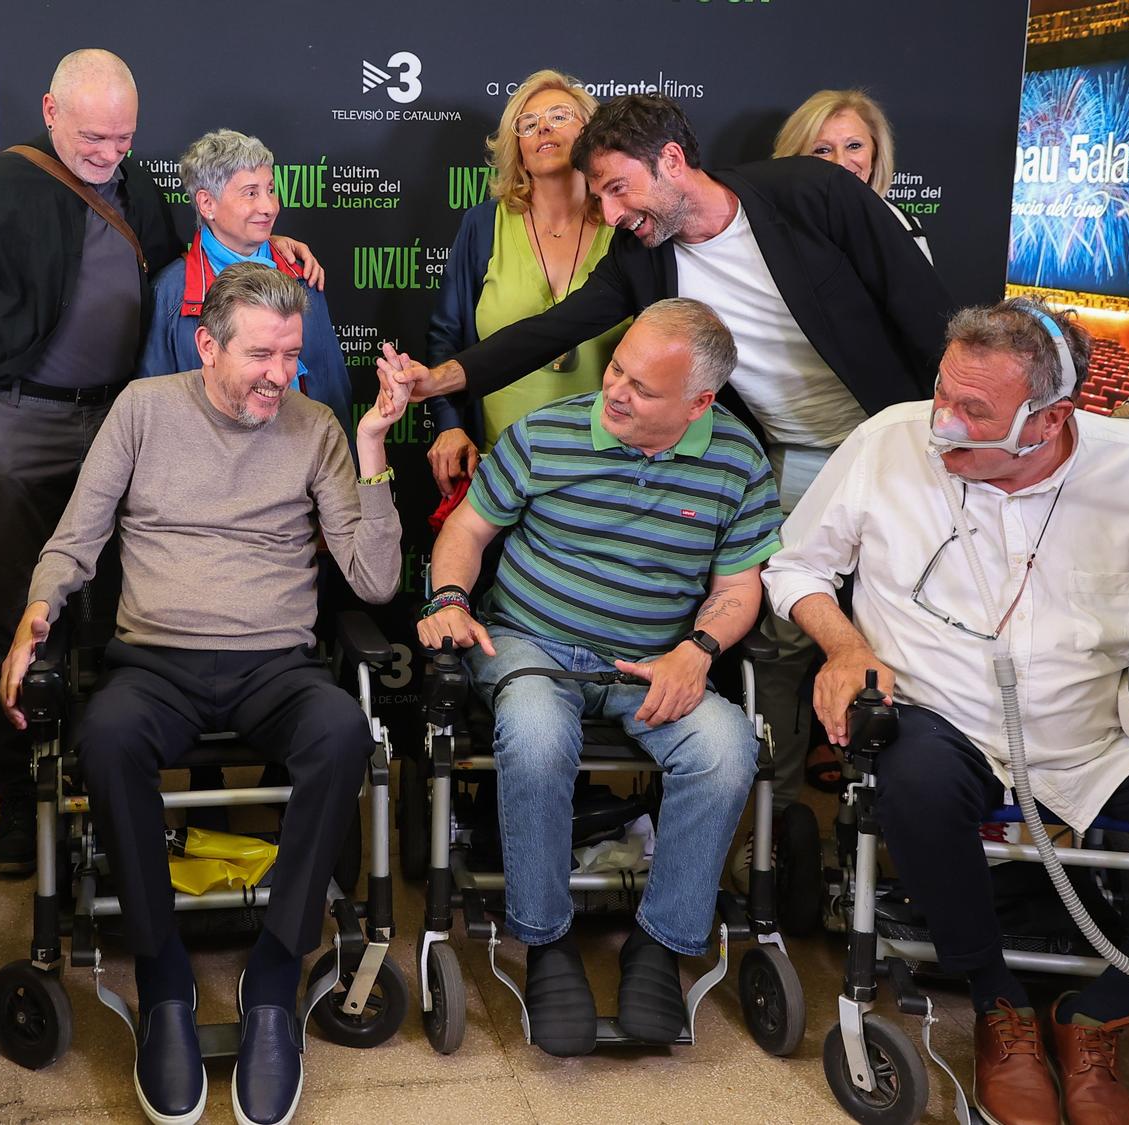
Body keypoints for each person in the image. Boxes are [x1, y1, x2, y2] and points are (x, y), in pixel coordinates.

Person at [763, 298, 1129, 1125]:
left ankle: (1101, 1011)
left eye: (973, 412)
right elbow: (798, 567)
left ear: (1050, 418)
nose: (942, 426)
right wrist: (846, 645)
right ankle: (1000, 1007)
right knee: (914, 779)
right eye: (942, 395)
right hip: (941, 714)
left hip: (1101, 738)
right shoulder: (891, 437)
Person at [380, 92, 952, 840]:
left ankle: (926, 816)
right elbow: (551, 329)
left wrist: (947, 437)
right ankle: (773, 831)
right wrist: (439, 379)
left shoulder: (814, 194)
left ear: (674, 162)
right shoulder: (646, 257)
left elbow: (922, 310)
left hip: (894, 439)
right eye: (601, 196)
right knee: (779, 640)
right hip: (790, 456)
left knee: (913, 623)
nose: (611, 213)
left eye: (620, 189)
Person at [0, 51, 324, 877]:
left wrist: (268, 242)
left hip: (127, 417)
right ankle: (17, 799)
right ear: (49, 111)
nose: (107, 153)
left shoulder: (136, 190)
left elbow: (202, 269)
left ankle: (108, 786)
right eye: (92, 137)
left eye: (122, 139)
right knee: (19, 607)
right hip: (18, 419)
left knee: (126, 608)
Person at [0, 265, 404, 1125]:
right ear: (206, 344)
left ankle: (273, 974)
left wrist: (373, 455)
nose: (279, 374)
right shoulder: (144, 408)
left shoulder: (319, 425)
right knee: (105, 739)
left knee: (341, 733)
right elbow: (76, 537)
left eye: (292, 355)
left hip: (275, 664)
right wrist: (38, 609)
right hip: (157, 662)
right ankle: (164, 978)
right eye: (261, 353)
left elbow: (373, 581)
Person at [418, 298, 780, 1056]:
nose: (615, 390)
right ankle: (547, 942)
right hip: (532, 645)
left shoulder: (739, 462)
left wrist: (700, 648)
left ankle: (658, 944)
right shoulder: (547, 433)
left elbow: (740, 586)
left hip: (653, 661)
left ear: (698, 402)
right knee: (539, 733)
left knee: (725, 749)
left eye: (642, 388)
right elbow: (468, 529)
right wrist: (450, 597)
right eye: (617, 368)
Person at [422, 69, 626, 496]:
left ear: (591, 131)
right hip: (499, 469)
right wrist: (451, 426)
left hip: (610, 472)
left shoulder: (624, 225)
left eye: (558, 115)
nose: (543, 128)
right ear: (517, 146)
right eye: (528, 124)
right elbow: (447, 337)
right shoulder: (482, 225)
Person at [138, 128, 352, 435]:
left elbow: (333, 391)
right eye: (251, 193)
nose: (269, 206)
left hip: (301, 458)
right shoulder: (172, 293)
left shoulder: (303, 275)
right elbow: (153, 409)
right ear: (207, 204)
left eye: (270, 189)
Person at [772, 88, 932, 262]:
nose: (840, 163)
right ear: (795, 159)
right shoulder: (771, 230)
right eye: (822, 150)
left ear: (875, 152)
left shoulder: (904, 229)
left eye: (854, 146)